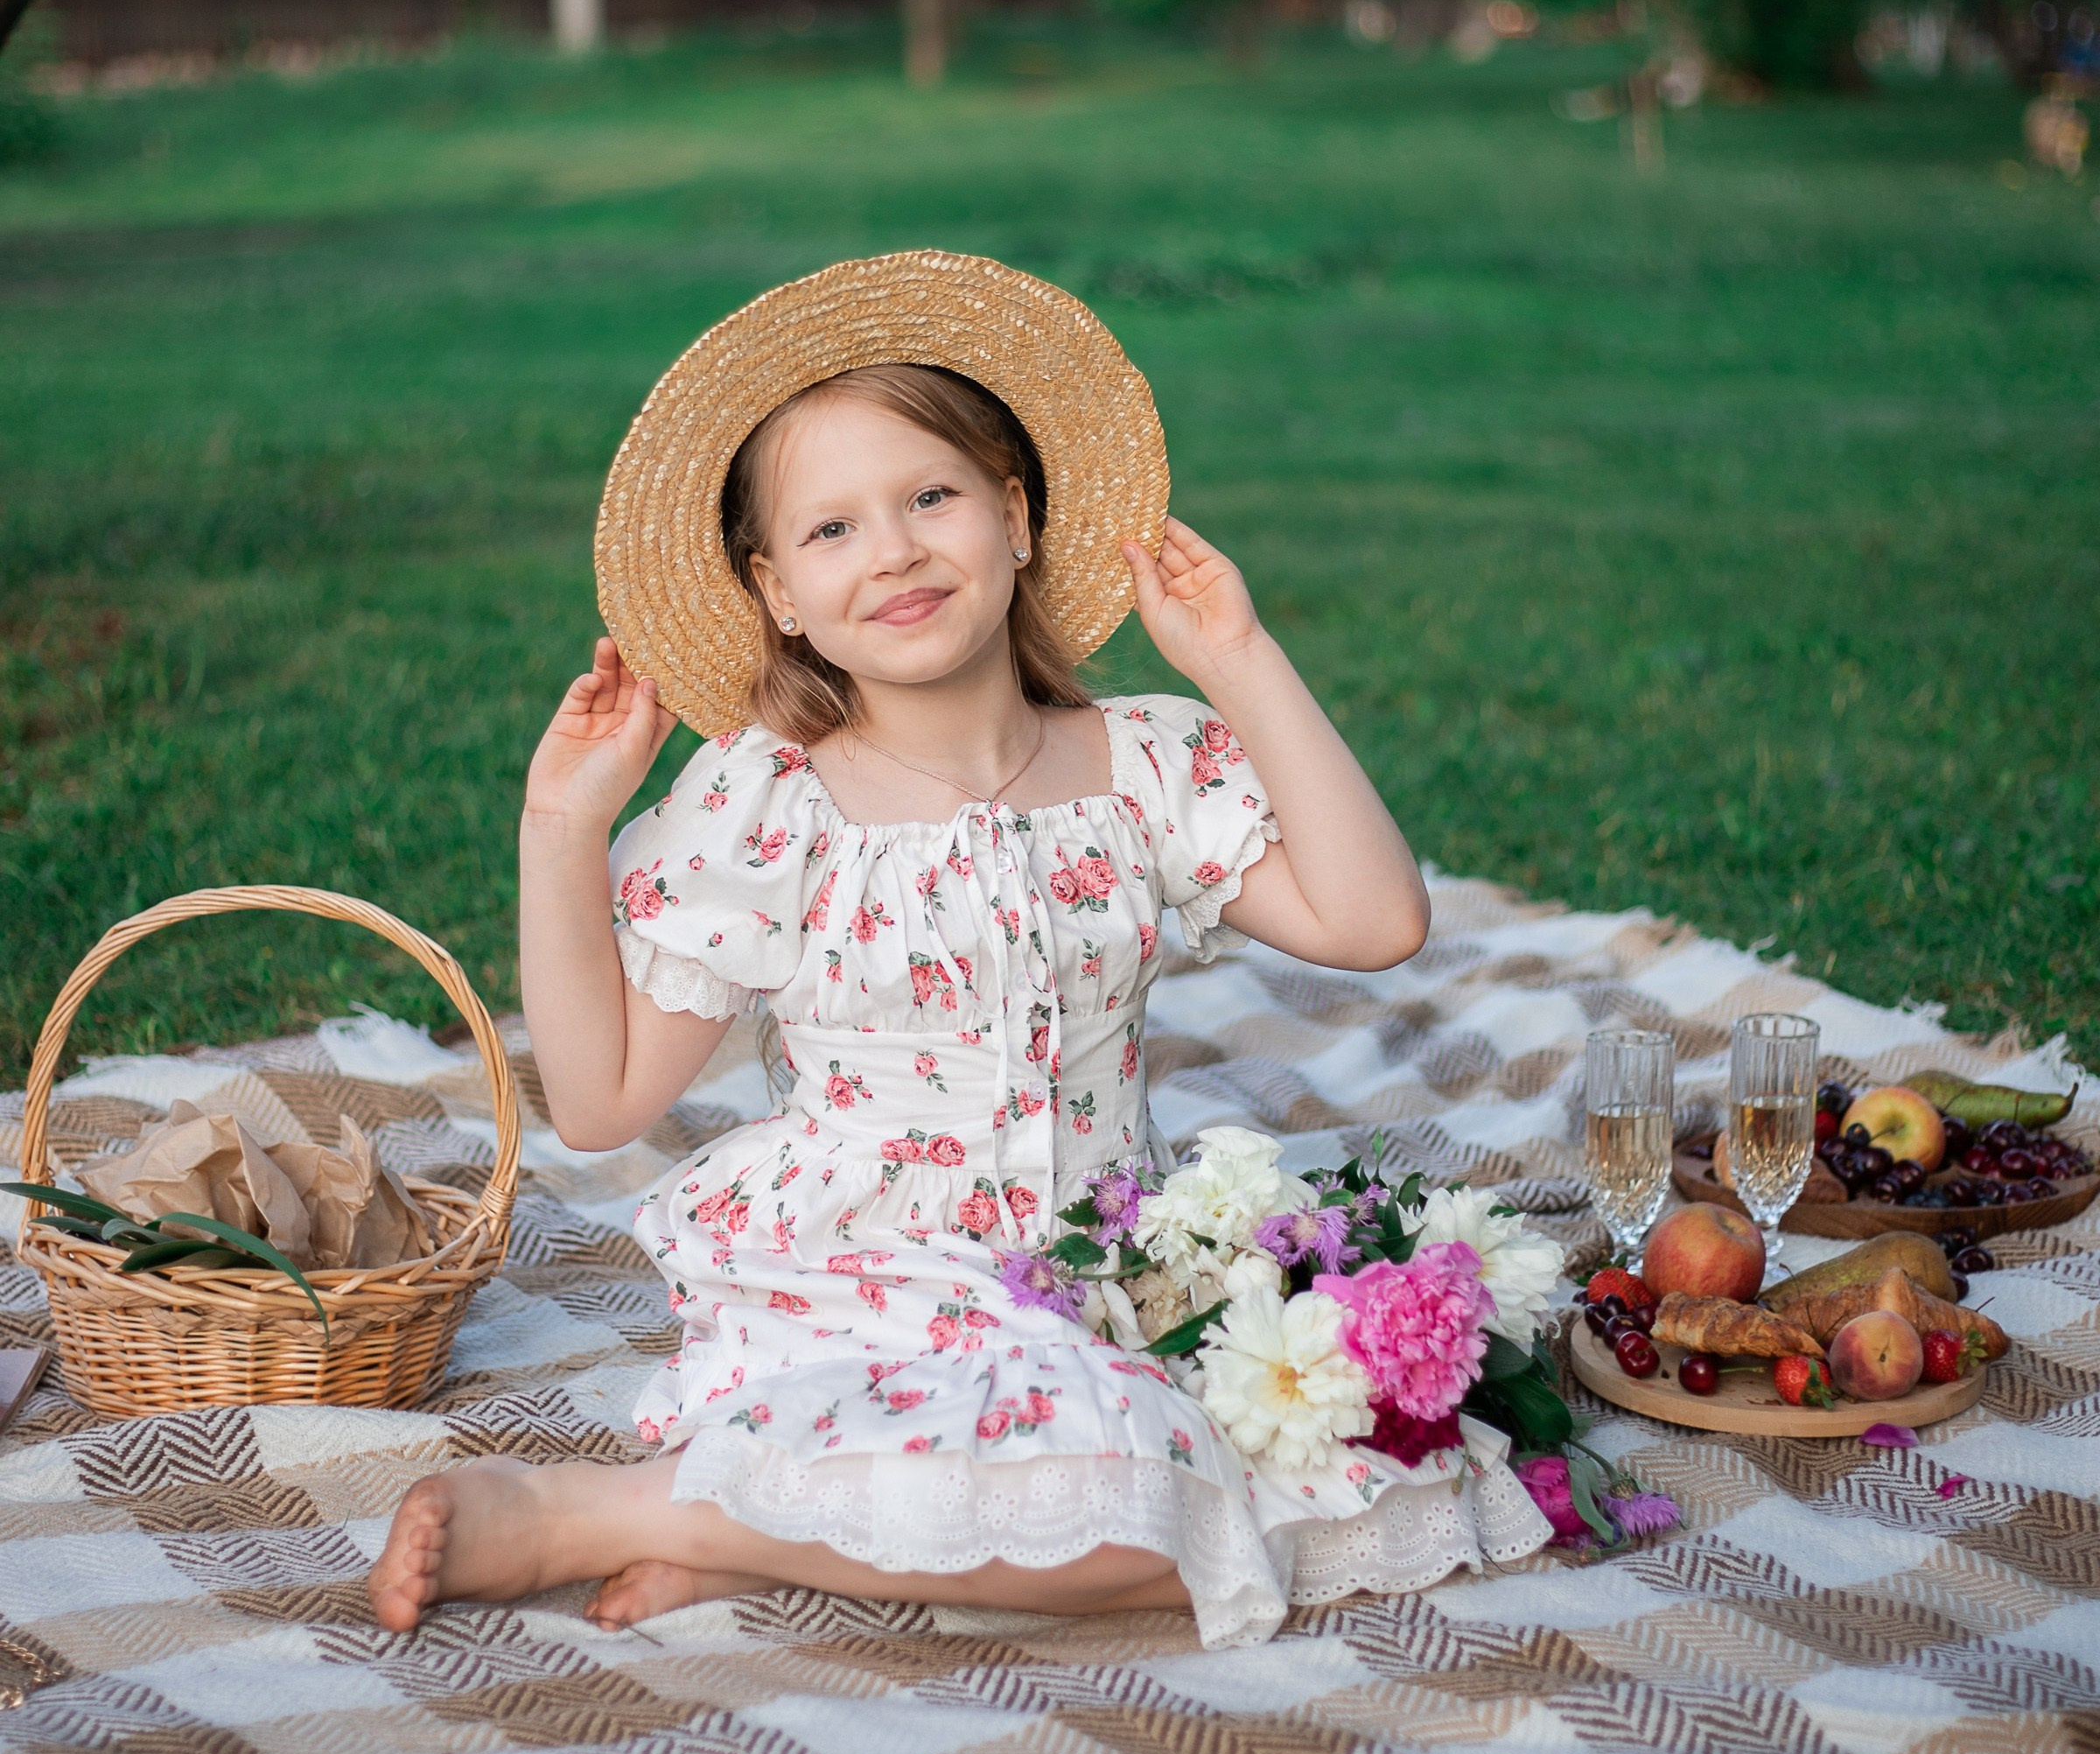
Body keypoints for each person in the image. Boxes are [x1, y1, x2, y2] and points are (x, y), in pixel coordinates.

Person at [368, 253, 1550, 1646]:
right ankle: (597, 1511)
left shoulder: (1137, 763)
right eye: (831, 530)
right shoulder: (772, 802)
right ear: (779, 593)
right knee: (1146, 1497)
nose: (895, 550)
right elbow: (602, 1099)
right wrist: (559, 827)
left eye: (932, 496)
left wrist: (1240, 655)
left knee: (1279, 1496)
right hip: (866, 1265)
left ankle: (741, 1527)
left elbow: (1374, 920)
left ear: (1018, 516)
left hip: (1107, 1265)